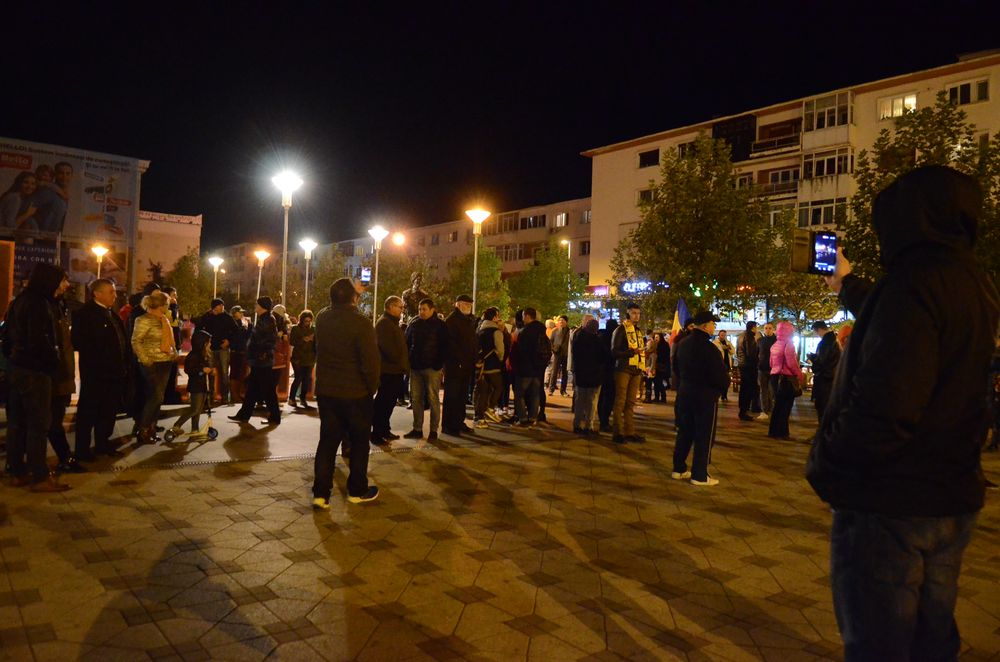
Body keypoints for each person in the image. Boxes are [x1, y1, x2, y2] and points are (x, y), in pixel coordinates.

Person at [807, 166, 999, 660]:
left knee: (881, 643)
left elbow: (885, 407)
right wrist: (847, 284)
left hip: (891, 502)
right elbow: (909, 325)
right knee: (930, 639)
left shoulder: (911, 285)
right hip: (950, 492)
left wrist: (827, 464)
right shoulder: (972, 283)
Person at [2, 263, 72, 491]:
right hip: (36, 372)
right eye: (61, 280)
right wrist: (53, 362)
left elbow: (6, 338)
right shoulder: (39, 303)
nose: (65, 285)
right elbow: (39, 341)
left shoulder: (20, 301)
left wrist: (14, 360)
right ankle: (40, 477)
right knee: (38, 425)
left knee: (17, 423)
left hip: (17, 369)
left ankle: (17, 471)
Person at [312, 278, 381, 508]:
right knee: (359, 442)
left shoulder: (322, 318)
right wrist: (372, 387)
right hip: (356, 393)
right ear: (353, 298)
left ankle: (321, 494)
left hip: (327, 391)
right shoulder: (361, 323)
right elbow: (370, 361)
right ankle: (357, 490)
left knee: (327, 441)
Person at [73, 278, 129, 460]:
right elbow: (81, 342)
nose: (115, 295)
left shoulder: (111, 314)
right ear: (97, 294)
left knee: (108, 411)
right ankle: (82, 449)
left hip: (114, 373)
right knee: (89, 412)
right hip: (95, 374)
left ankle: (103, 443)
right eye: (111, 292)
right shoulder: (85, 314)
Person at [672, 311, 729, 486]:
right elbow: (719, 376)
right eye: (713, 324)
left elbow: (675, 367)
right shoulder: (709, 348)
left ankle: (679, 468)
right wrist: (721, 387)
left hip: (685, 393)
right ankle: (699, 474)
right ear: (705, 326)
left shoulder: (683, 344)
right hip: (705, 397)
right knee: (704, 435)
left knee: (684, 432)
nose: (714, 327)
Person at [130, 291, 178, 444]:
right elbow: (136, 341)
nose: (168, 306)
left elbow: (170, 339)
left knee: (158, 397)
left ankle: (151, 428)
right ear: (162, 305)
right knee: (155, 397)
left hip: (165, 362)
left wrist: (173, 353)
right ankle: (143, 429)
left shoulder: (164, 319)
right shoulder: (143, 319)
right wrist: (145, 360)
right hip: (152, 363)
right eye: (167, 304)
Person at [228, 297, 280, 425]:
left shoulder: (268, 320)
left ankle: (274, 416)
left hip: (262, 360)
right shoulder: (264, 319)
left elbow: (269, 340)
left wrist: (260, 353)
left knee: (267, 389)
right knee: (253, 388)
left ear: (262, 306)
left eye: (257, 304)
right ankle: (244, 415)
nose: (255, 306)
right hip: (259, 360)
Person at [403, 298, 449, 441]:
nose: (421, 312)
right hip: (416, 367)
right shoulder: (414, 323)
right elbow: (407, 342)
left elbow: (445, 346)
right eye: (420, 309)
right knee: (416, 399)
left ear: (432, 310)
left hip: (432, 368)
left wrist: (438, 364)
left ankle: (433, 430)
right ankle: (417, 428)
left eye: (424, 309)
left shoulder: (440, 325)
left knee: (433, 398)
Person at [372, 296, 409, 444]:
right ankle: (377, 433)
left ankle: (384, 429)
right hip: (388, 370)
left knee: (389, 402)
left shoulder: (391, 323)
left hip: (395, 369)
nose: (402, 310)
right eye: (400, 307)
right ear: (391, 307)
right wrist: (399, 360)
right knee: (383, 402)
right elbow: (387, 348)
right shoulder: (384, 324)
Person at [610, 302, 645, 444]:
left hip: (636, 369)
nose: (636, 316)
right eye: (634, 313)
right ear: (628, 314)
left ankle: (630, 431)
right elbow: (614, 351)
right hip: (623, 369)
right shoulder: (620, 330)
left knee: (630, 402)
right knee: (620, 401)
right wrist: (630, 352)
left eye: (638, 313)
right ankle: (618, 432)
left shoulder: (638, 331)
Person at [168, 330, 214, 436]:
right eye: (208, 342)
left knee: (198, 409)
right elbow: (188, 369)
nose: (210, 344)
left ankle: (195, 428)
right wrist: (202, 370)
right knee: (194, 409)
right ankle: (177, 425)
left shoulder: (205, 355)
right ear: (203, 343)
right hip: (196, 386)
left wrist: (209, 370)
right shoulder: (193, 355)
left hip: (203, 385)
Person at [443, 295, 477, 436]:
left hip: (466, 365)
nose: (468, 306)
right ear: (457, 304)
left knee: (461, 396)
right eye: (465, 304)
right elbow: (451, 344)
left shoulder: (468, 320)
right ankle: (449, 425)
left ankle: (458, 422)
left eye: (469, 304)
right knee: (452, 396)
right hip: (455, 365)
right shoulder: (452, 320)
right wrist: (459, 361)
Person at [511, 308, 550, 427]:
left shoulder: (525, 332)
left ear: (527, 316)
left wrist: (517, 366)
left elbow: (520, 352)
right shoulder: (542, 330)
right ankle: (533, 417)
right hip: (538, 369)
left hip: (525, 368)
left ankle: (522, 418)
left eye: (524, 316)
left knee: (519, 394)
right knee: (535, 394)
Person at [195, 298, 239, 404]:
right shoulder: (208, 317)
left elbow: (236, 331)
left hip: (223, 349)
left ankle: (225, 397)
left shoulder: (228, 317)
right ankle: (210, 397)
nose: (222, 308)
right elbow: (198, 326)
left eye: (222, 306)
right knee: (210, 373)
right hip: (210, 349)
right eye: (219, 306)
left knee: (224, 373)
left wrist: (229, 341)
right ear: (214, 307)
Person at [572, 318, 610, 435]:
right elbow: (604, 357)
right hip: (594, 375)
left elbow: (575, 356)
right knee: (591, 402)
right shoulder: (598, 341)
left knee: (580, 401)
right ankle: (589, 426)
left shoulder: (578, 340)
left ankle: (577, 424)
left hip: (581, 375)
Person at [768, 321, 804, 440]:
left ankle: (773, 431)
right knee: (786, 407)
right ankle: (782, 432)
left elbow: (771, 363)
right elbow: (791, 363)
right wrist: (799, 375)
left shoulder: (775, 345)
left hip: (775, 377)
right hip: (786, 379)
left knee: (777, 406)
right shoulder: (789, 344)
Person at [473, 307, 505, 428]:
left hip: (480, 365)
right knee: (498, 386)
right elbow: (500, 350)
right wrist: (500, 358)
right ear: (494, 317)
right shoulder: (496, 331)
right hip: (492, 365)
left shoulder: (479, 330)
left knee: (482, 391)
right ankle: (490, 408)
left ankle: (479, 417)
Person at [807, 320, 840, 423]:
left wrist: (812, 357)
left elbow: (822, 361)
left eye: (815, 332)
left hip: (824, 379)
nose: (816, 335)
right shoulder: (834, 340)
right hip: (832, 377)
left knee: (823, 406)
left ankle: (823, 429)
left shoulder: (825, 343)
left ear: (819, 330)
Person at [288, 310, 317, 409]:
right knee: (298, 377)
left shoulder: (313, 329)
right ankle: (291, 398)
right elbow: (292, 341)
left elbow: (316, 343)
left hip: (310, 358)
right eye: (305, 321)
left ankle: (303, 398)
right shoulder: (295, 328)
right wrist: (303, 339)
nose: (307, 323)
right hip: (298, 357)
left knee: (306, 379)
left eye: (309, 321)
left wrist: (313, 340)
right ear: (301, 320)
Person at [596, 318, 618, 432]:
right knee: (608, 396)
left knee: (602, 396)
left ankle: (602, 420)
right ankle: (604, 421)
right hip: (610, 370)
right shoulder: (612, 338)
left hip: (601, 370)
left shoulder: (600, 336)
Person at [736, 321, 760, 421]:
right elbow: (751, 353)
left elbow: (738, 351)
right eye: (756, 327)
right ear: (753, 327)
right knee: (748, 389)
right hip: (749, 366)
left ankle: (743, 410)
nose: (757, 329)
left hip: (743, 365)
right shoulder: (749, 337)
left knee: (744, 388)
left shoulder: (740, 336)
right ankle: (744, 411)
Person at [229, 306, 251, 402]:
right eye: (239, 312)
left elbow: (247, 336)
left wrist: (249, 325)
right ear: (234, 313)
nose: (242, 314)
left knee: (241, 374)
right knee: (235, 374)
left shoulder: (243, 323)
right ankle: (234, 395)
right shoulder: (232, 323)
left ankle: (239, 394)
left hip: (243, 351)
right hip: (235, 352)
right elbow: (237, 336)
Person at [757, 322, 777, 419]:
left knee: (773, 390)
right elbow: (757, 353)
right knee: (763, 390)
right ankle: (764, 410)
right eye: (766, 328)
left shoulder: (777, 340)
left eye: (769, 328)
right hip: (762, 368)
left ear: (773, 329)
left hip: (774, 369)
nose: (767, 330)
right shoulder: (760, 340)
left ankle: (773, 409)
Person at [547, 315, 570, 396]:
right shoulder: (555, 330)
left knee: (565, 373)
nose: (561, 322)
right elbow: (550, 341)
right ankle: (551, 389)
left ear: (566, 322)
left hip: (566, 354)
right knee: (554, 371)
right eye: (560, 320)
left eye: (563, 320)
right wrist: (553, 349)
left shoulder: (569, 331)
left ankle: (563, 390)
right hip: (557, 353)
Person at [712, 329, 735, 402]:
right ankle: (717, 394)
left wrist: (728, 348)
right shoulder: (715, 343)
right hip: (718, 364)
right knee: (718, 380)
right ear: (719, 335)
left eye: (724, 335)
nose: (723, 336)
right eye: (722, 335)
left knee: (726, 380)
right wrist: (722, 347)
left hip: (727, 364)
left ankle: (724, 395)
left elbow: (733, 352)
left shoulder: (728, 342)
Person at [654, 332, 670, 401]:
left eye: (657, 337)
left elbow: (666, 356)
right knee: (655, 382)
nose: (656, 339)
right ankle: (656, 397)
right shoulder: (654, 345)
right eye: (655, 337)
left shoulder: (664, 345)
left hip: (661, 366)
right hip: (655, 366)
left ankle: (663, 397)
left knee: (659, 382)